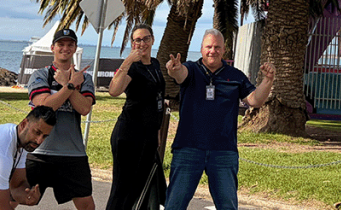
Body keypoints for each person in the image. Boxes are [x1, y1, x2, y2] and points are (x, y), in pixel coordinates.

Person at [164, 28, 275, 210]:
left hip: (223, 151)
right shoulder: (191, 69)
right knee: (174, 204)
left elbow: (255, 101)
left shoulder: (235, 76)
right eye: (208, 46)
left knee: (227, 206)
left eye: (217, 47)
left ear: (224, 50)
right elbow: (179, 74)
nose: (212, 51)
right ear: (201, 49)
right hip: (189, 149)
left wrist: (268, 81)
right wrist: (174, 69)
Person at [26, 28, 96, 210]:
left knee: (87, 204)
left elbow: (84, 108)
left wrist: (66, 85)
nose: (65, 48)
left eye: (70, 44)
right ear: (52, 48)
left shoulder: (85, 78)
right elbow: (44, 108)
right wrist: (71, 86)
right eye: (61, 44)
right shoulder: (41, 75)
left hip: (72, 153)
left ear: (75, 48)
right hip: (38, 151)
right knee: (14, 198)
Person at [106, 24, 166, 210]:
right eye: (137, 40)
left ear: (152, 40)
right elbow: (114, 90)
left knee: (142, 186)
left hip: (148, 136)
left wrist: (156, 130)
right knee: (122, 189)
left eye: (146, 38)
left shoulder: (155, 64)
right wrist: (127, 62)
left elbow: (157, 99)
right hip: (129, 134)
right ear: (132, 44)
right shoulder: (132, 68)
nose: (142, 43)